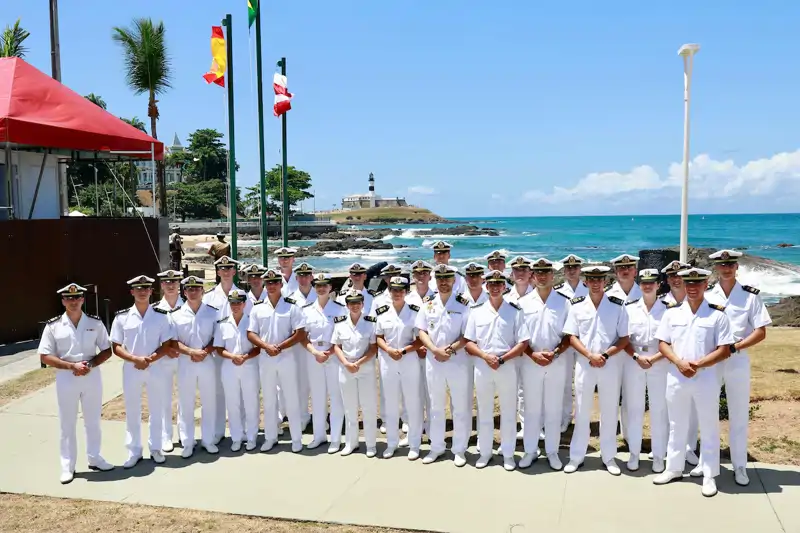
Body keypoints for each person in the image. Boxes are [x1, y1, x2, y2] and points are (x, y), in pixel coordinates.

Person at [653, 267, 734, 498]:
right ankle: (674, 468)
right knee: (676, 424)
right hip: (677, 376)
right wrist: (679, 362)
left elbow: (725, 350)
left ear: (706, 283)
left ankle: (709, 475)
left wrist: (697, 365)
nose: (692, 287)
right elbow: (663, 344)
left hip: (706, 377)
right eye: (688, 282)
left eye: (697, 282)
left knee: (708, 426)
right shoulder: (672, 313)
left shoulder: (718, 314)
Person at [705, 249, 772, 486]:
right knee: (708, 414)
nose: (726, 268)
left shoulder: (750, 297)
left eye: (730, 265)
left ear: (736, 267)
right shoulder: (707, 295)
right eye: (722, 265)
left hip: (737, 359)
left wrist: (735, 347)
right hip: (711, 361)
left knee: (739, 414)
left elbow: (760, 331)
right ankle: (709, 468)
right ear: (716, 268)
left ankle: (740, 465)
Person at [38, 283, 115, 484]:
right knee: (67, 423)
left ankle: (95, 457)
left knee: (93, 420)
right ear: (63, 301)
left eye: (77, 298)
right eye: (69, 298)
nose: (73, 302)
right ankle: (67, 466)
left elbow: (107, 350)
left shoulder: (95, 323)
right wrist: (71, 366)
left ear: (82, 299)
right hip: (66, 377)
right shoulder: (53, 325)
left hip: (91, 375)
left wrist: (90, 364)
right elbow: (45, 355)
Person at [562, 265, 630, 475]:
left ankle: (608, 456)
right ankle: (576, 456)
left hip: (610, 364)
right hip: (585, 364)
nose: (595, 283)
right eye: (591, 279)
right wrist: (590, 355)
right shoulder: (576, 306)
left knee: (609, 411)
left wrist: (606, 355)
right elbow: (571, 336)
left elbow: (625, 338)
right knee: (581, 411)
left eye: (599, 279)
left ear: (605, 282)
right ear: (586, 282)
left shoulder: (618, 306)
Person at [464, 270, 530, 471]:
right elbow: (469, 342)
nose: (494, 288)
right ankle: (485, 452)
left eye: (498, 284)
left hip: (507, 365)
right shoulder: (476, 311)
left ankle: (508, 454)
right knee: (484, 411)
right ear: (486, 287)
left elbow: (523, 342)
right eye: (491, 284)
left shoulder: (515, 311)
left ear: (504, 287)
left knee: (508, 412)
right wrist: (485, 357)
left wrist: (502, 359)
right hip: (483, 366)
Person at [110, 275, 176, 468]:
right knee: (132, 410)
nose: (142, 292)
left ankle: (156, 448)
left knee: (156, 408)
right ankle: (134, 450)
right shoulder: (122, 317)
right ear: (132, 292)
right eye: (138, 289)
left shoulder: (160, 316)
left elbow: (167, 344)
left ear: (150, 291)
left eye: (145, 288)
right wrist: (135, 359)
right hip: (131, 368)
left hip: (155, 368)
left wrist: (150, 359)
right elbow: (116, 346)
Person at [518, 259, 572, 471]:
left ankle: (552, 451)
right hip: (530, 361)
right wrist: (533, 354)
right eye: (538, 272)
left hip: (556, 361)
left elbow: (570, 334)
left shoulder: (564, 302)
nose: (542, 276)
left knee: (553, 409)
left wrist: (555, 353)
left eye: (546, 272)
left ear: (552, 275)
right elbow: (519, 336)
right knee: (531, 409)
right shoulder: (523, 303)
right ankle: (530, 451)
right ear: (533, 275)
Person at [416, 264, 471, 466]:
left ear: (454, 281)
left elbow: (467, 335)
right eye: (440, 279)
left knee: (460, 407)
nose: (444, 282)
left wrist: (450, 350)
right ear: (435, 281)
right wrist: (434, 350)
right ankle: (436, 447)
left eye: (447, 279)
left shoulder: (463, 304)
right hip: (434, 360)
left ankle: (459, 449)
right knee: (436, 406)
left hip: (457, 361)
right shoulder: (428, 304)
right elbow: (421, 330)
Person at [246, 268, 306, 453]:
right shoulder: (257, 308)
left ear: (281, 284)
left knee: (291, 398)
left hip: (287, 357)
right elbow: (251, 333)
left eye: (275, 282)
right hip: (266, 359)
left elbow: (300, 333)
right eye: (268, 283)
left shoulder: (292, 306)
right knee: (270, 399)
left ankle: (296, 438)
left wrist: (279, 347)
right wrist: (266, 346)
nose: (271, 286)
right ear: (265, 285)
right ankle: (271, 437)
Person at [621, 269, 669, 473]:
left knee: (659, 410)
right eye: (643, 282)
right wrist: (636, 357)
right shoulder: (629, 308)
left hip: (660, 361)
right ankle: (634, 453)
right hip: (634, 361)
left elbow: (672, 340)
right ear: (639, 285)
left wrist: (655, 358)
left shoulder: (669, 309)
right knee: (634, 409)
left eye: (652, 282)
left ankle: (658, 455)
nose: (647, 286)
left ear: (659, 285)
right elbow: (623, 337)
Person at [375, 276, 423, 459]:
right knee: (391, 403)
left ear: (406, 292)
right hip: (388, 361)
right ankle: (392, 443)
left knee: (412, 402)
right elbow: (378, 336)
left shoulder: (414, 313)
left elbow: (420, 340)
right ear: (390, 291)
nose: (397, 293)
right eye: (394, 290)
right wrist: (388, 349)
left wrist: (402, 351)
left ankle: (414, 444)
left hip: (408, 360)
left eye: (401, 290)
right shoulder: (383, 312)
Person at [172, 275, 220, 458]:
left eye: (196, 289)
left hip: (207, 361)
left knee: (209, 401)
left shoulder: (212, 313)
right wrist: (192, 352)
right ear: (184, 292)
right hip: (185, 362)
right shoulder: (175, 315)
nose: (193, 292)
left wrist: (205, 351)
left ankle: (208, 440)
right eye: (189, 289)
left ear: (202, 291)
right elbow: (173, 342)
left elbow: (218, 338)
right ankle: (187, 441)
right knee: (186, 403)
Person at [302, 273, 347, 453]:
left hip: (334, 357)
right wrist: (314, 352)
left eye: (325, 285)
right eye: (318, 285)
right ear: (314, 287)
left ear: (330, 288)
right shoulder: (306, 310)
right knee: (317, 397)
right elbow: (302, 336)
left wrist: (329, 352)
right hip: (313, 356)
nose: (321, 288)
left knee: (336, 398)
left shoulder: (340, 309)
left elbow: (343, 336)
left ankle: (335, 439)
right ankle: (319, 435)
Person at [660, 259, 699, 466]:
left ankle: (689, 447)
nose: (676, 279)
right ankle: (668, 446)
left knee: (691, 408)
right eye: (672, 276)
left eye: (679, 276)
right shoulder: (659, 302)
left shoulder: (699, 301)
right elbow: (659, 338)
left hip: (689, 364)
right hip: (664, 362)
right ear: (667, 279)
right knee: (665, 406)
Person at [332, 289, 379, 457]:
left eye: (358, 303)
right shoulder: (339, 323)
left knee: (368, 407)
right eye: (351, 303)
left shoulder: (370, 323)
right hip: (345, 369)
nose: (355, 306)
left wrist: (358, 363)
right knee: (349, 408)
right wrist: (345, 363)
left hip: (365, 369)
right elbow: (336, 346)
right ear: (347, 305)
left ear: (362, 304)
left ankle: (371, 444)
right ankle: (351, 443)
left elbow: (374, 347)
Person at [214, 288, 261, 452]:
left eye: (238, 303)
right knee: (232, 403)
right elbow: (218, 348)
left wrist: (245, 357)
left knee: (251, 402)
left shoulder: (252, 322)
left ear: (244, 304)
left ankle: (252, 436)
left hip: (249, 365)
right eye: (232, 303)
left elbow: (258, 347)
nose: (235, 306)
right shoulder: (222, 324)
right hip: (229, 366)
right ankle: (236, 437)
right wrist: (232, 356)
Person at [203, 255, 243, 444]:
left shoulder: (243, 294)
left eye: (229, 269)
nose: (226, 272)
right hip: (217, 350)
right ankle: (219, 431)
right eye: (222, 269)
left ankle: (241, 429)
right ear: (218, 272)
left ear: (234, 271)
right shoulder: (208, 297)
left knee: (240, 391)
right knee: (218, 391)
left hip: (238, 350)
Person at [555, 254, 587, 432]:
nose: (571, 270)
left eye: (575, 268)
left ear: (580, 269)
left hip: (583, 342)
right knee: (565, 381)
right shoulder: (558, 290)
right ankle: (565, 417)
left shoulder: (588, 289)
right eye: (568, 268)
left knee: (582, 382)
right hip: (565, 341)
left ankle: (582, 418)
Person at [153, 269, 184, 453]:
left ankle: (183, 432)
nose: (171, 285)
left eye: (174, 282)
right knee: (164, 398)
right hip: (163, 360)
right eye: (167, 282)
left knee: (185, 398)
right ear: (162, 285)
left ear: (179, 284)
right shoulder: (155, 309)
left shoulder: (188, 306)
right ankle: (166, 436)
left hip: (183, 359)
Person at [374, 262, 405, 436]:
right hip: (385, 349)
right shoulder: (378, 299)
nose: (392, 278)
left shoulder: (410, 296)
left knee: (407, 386)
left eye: (396, 274)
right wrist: (384, 347)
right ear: (385, 279)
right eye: (389, 276)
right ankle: (387, 419)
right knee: (386, 386)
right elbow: (374, 324)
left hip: (406, 350)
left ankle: (407, 419)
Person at [405, 259, 435, 437]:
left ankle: (432, 430)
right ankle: (413, 429)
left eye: (424, 273)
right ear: (413, 277)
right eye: (417, 274)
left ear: (430, 276)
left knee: (432, 393)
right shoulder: (407, 299)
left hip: (432, 352)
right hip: (412, 352)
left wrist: (429, 346)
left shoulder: (438, 296)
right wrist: (416, 346)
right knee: (412, 393)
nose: (421, 276)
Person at [288, 261, 317, 431]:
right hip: (298, 346)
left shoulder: (321, 294)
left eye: (307, 276)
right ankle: (303, 415)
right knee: (299, 382)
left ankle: (320, 415)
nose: (304, 279)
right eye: (301, 276)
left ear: (311, 277)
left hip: (316, 345)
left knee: (319, 382)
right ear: (296, 278)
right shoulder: (291, 299)